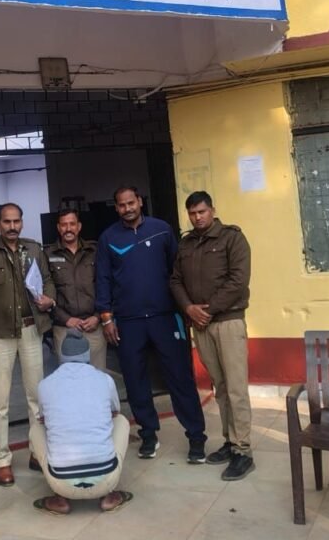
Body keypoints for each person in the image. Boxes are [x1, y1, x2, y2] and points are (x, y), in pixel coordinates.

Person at [95, 185, 208, 462]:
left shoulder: (162, 230)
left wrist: (185, 308)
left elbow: (177, 273)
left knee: (180, 378)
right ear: (116, 208)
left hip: (165, 318)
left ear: (140, 202)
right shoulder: (108, 238)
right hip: (128, 322)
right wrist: (106, 317)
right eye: (122, 205)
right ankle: (148, 434)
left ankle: (196, 437)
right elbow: (103, 280)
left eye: (131, 203)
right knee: (135, 381)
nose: (127, 209)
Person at [170, 191, 255, 480]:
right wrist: (188, 308)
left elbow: (238, 280)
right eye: (192, 213)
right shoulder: (186, 244)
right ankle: (231, 441)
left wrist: (208, 309)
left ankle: (243, 451)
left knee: (236, 387)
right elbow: (175, 280)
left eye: (202, 212)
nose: (197, 217)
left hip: (228, 321)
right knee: (220, 386)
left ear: (212, 210)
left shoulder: (232, 238)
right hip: (201, 326)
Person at [0, 202, 56, 486]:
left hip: (31, 329)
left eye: (16, 221)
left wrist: (49, 299)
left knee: (36, 397)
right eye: (6, 222)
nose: (12, 227)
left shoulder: (33, 249)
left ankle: (36, 451)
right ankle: (2, 460)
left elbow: (48, 280)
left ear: (22, 222)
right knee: (0, 402)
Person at [30, 331, 133, 516]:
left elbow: (43, 418)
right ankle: (109, 496)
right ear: (87, 354)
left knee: (37, 428)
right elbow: (115, 412)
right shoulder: (105, 380)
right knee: (121, 421)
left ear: (62, 355)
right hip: (106, 480)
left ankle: (60, 499)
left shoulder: (45, 384)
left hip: (60, 483)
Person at [45, 208, 107, 370]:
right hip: (64, 328)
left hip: (94, 326)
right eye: (64, 225)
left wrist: (98, 317)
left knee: (97, 376)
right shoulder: (48, 255)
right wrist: (66, 319)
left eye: (72, 224)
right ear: (58, 228)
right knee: (69, 378)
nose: (68, 229)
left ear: (79, 226)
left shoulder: (94, 251)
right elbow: (45, 292)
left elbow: (105, 285)